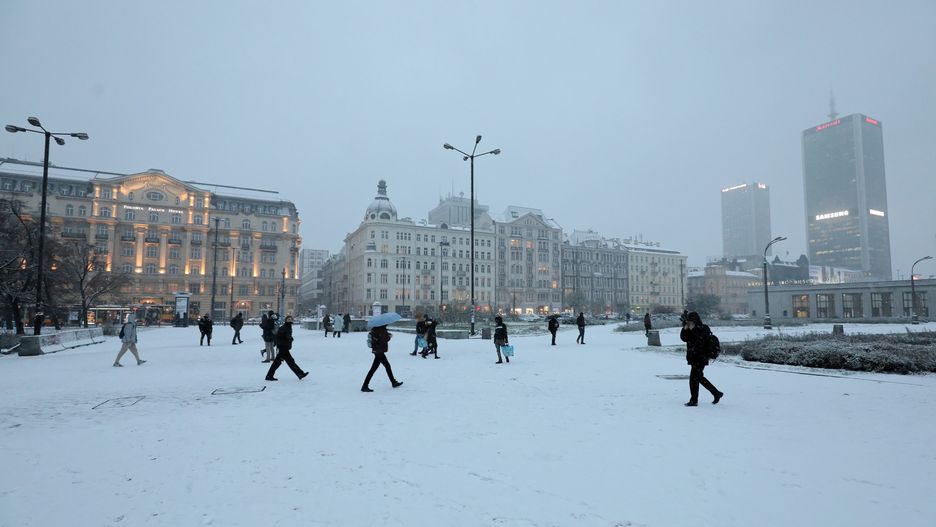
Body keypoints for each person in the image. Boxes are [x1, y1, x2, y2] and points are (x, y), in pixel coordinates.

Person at [679, 311, 723, 407]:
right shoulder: (689, 329)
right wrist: (685, 328)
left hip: (701, 357)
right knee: (697, 378)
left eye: (691, 321)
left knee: (694, 378)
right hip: (693, 357)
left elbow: (699, 341)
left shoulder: (704, 328)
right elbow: (684, 338)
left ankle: (695, 400)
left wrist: (693, 329)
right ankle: (716, 393)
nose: (690, 322)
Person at [265, 315, 308, 381]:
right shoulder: (284, 327)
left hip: (284, 347)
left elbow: (287, 336)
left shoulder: (288, 327)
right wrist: (283, 343)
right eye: (288, 319)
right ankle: (300, 373)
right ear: (286, 320)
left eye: (291, 319)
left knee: (280, 362)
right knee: (288, 361)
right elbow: (278, 337)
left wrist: (290, 339)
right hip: (282, 348)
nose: (290, 320)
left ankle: (300, 374)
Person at [361, 324, 403, 392]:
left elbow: (379, 337)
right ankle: (364, 386)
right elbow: (383, 339)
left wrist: (387, 334)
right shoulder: (382, 329)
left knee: (386, 366)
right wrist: (389, 336)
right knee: (375, 369)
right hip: (379, 351)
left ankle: (393, 382)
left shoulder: (375, 328)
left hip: (377, 350)